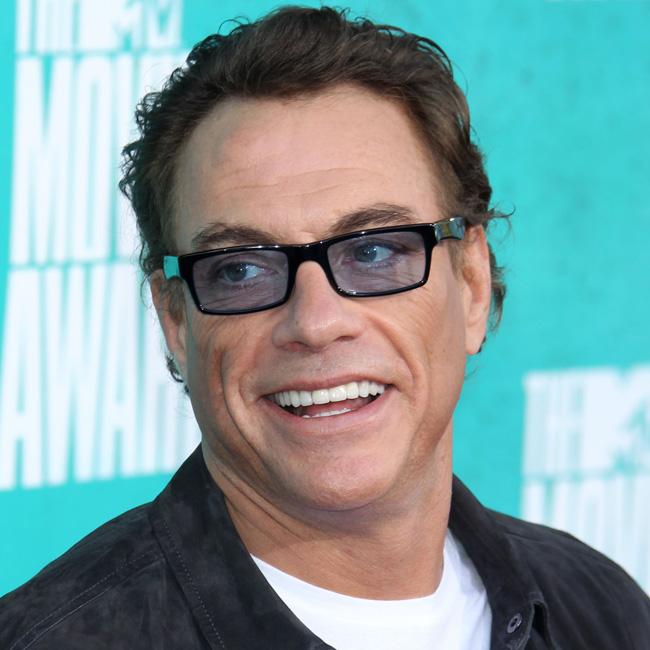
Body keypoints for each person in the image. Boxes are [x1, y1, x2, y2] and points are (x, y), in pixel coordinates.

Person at [1, 6, 648, 649]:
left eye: (374, 251)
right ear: (175, 319)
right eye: (240, 269)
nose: (315, 322)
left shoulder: (602, 610)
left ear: (472, 285)